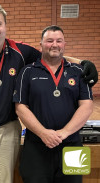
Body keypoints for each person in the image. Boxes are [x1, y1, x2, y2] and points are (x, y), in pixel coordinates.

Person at [0, 4, 97, 183]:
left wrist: (84, 63)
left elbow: (53, 57)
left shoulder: (24, 53)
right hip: (17, 137)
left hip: (68, 140)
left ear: (6, 27)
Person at [13, 25, 93, 183]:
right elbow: (20, 108)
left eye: (59, 41)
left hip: (72, 145)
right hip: (36, 145)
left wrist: (64, 132)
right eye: (49, 41)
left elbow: (87, 106)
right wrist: (43, 133)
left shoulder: (78, 71)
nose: (54, 44)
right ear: (41, 45)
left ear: (64, 44)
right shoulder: (27, 72)